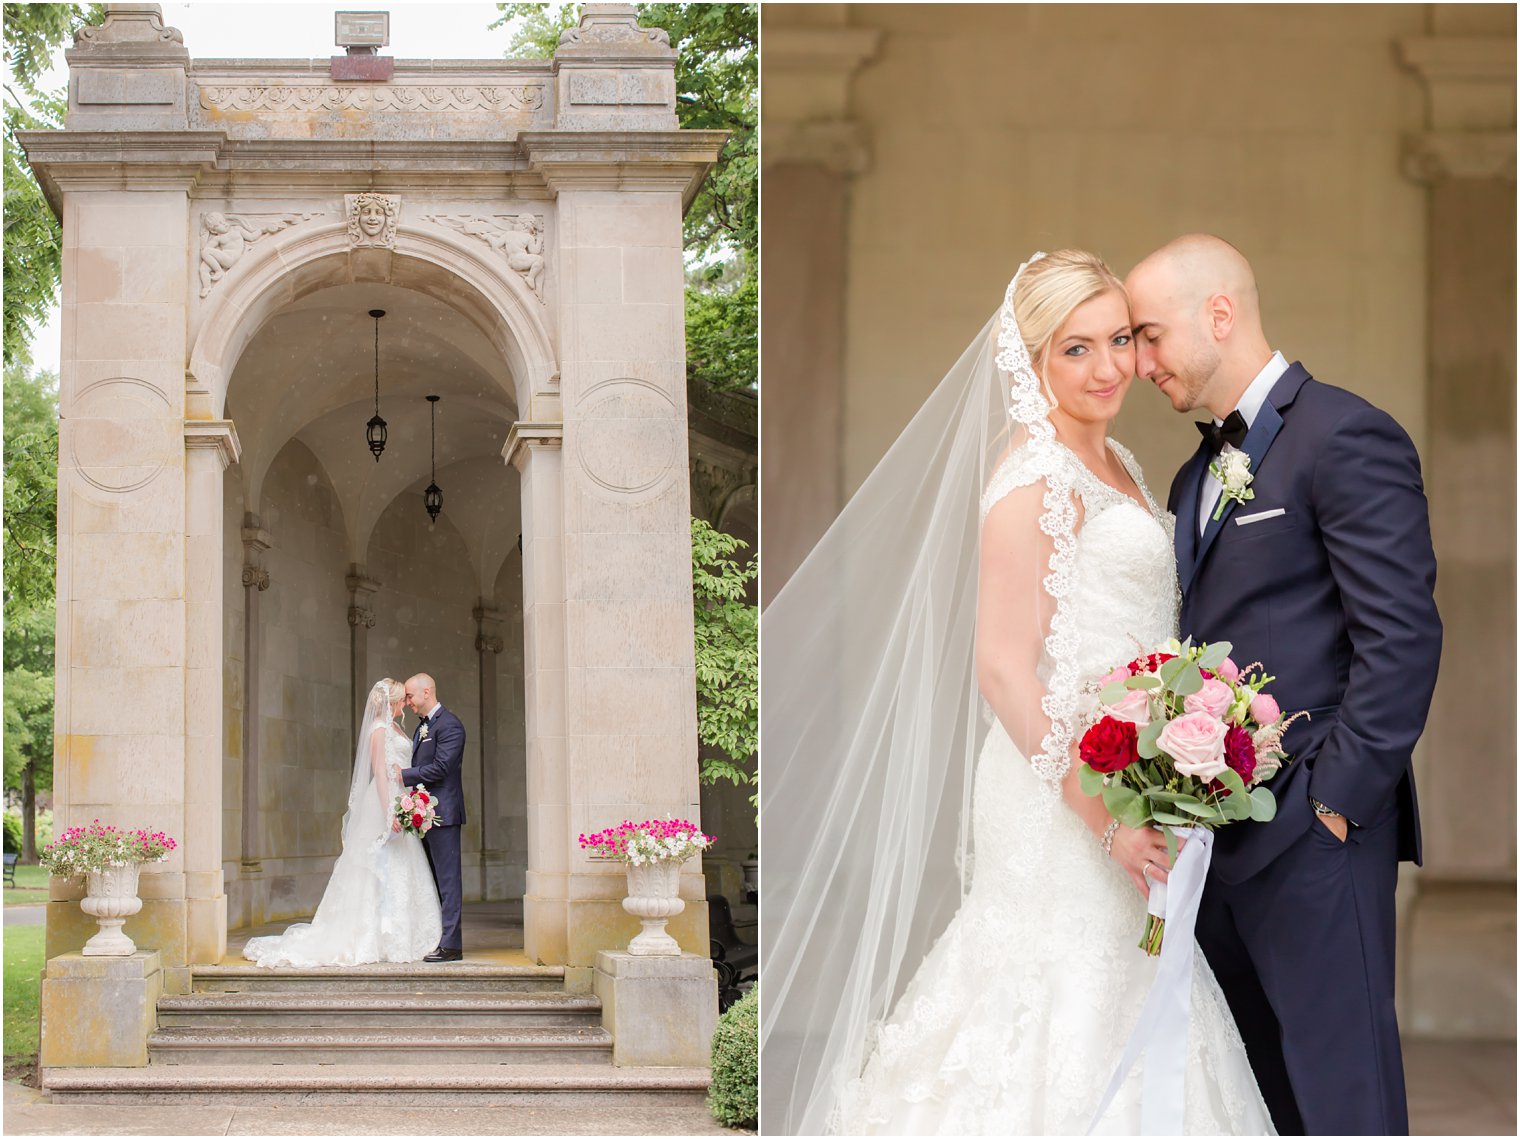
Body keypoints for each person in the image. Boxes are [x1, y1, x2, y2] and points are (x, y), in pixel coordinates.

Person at [761, 250, 1272, 1134]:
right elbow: (1002, 666)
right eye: (1076, 349)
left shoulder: (1117, 464)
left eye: (1119, 339)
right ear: (1033, 360)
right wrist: (1105, 817)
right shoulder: (1031, 480)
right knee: (1052, 986)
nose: (1109, 366)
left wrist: (1178, 750)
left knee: (1132, 985)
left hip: (1128, 778)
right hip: (1057, 795)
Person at [1128, 234, 1442, 1136]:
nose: (1141, 362)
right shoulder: (1193, 476)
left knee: (1345, 1099)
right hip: (1217, 851)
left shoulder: (1347, 433)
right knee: (1258, 1102)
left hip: (1317, 839)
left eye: (1151, 336)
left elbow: (1403, 634)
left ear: (1218, 315)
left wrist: (1334, 802)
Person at [243, 678, 441, 967]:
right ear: (394, 702)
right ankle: (374, 936)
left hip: (403, 798)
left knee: (401, 866)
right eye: (403, 699)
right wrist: (391, 814)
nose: (407, 704)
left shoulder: (396, 727)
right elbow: (381, 775)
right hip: (387, 802)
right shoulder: (378, 731)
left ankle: (402, 934)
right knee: (379, 866)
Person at [401, 672, 467, 963]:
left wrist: (403, 775)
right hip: (423, 815)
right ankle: (437, 937)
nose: (408, 702)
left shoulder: (450, 725)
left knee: (448, 881)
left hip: (444, 815)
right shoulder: (422, 728)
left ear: (426, 692)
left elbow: (441, 768)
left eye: (410, 696)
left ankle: (452, 945)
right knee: (432, 880)